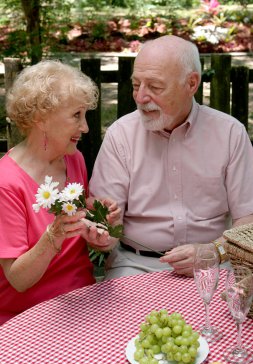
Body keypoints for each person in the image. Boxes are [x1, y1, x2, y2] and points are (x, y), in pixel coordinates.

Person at [89, 35, 253, 280]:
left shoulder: (230, 133)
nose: (140, 97)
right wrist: (102, 236)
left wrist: (214, 251)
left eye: (154, 87)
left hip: (215, 265)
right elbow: (105, 223)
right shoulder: (120, 135)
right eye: (136, 85)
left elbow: (248, 218)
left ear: (191, 84)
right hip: (134, 266)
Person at [0, 60, 120, 325]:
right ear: (41, 118)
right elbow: (18, 280)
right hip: (27, 317)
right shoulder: (5, 183)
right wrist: (54, 234)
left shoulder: (73, 159)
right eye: (76, 115)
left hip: (82, 300)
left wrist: (99, 226)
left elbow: (78, 239)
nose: (86, 127)